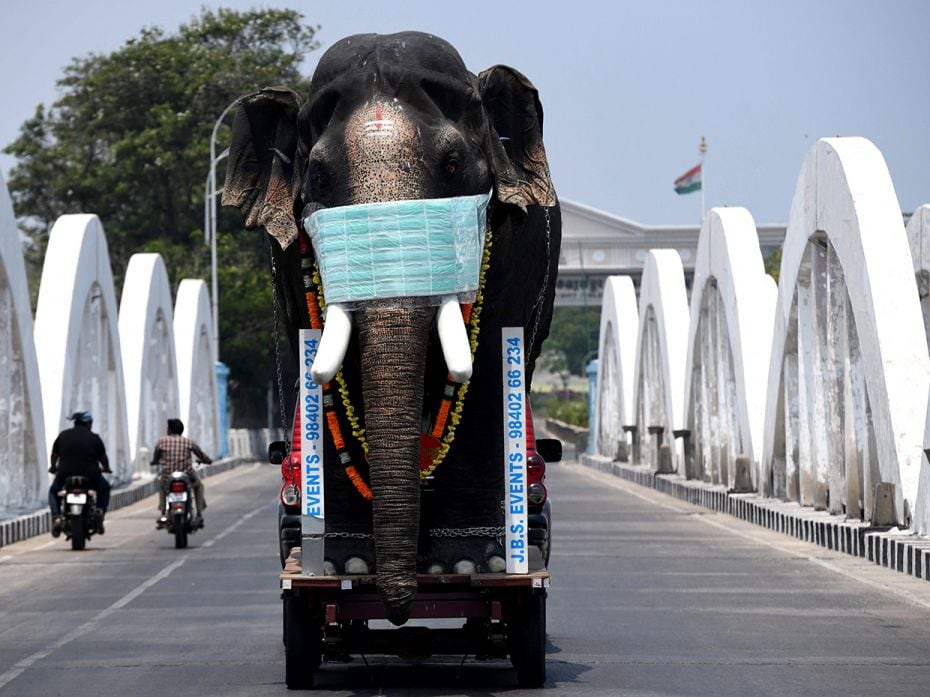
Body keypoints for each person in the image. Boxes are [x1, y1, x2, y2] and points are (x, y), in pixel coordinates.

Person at [48, 411, 112, 537]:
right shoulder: (94, 437)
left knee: (53, 492)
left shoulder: (63, 435)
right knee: (105, 488)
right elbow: (103, 458)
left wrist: (53, 467)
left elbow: (54, 454)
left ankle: (56, 518)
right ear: (88, 424)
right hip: (90, 474)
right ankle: (100, 512)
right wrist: (106, 468)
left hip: (65, 474)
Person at [151, 418, 212, 528]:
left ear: (169, 429)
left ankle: (163, 513)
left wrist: (155, 462)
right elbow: (200, 454)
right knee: (198, 487)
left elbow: (156, 457)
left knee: (162, 488)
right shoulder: (188, 441)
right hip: (187, 476)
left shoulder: (162, 442)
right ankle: (199, 514)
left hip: (168, 477)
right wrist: (207, 460)